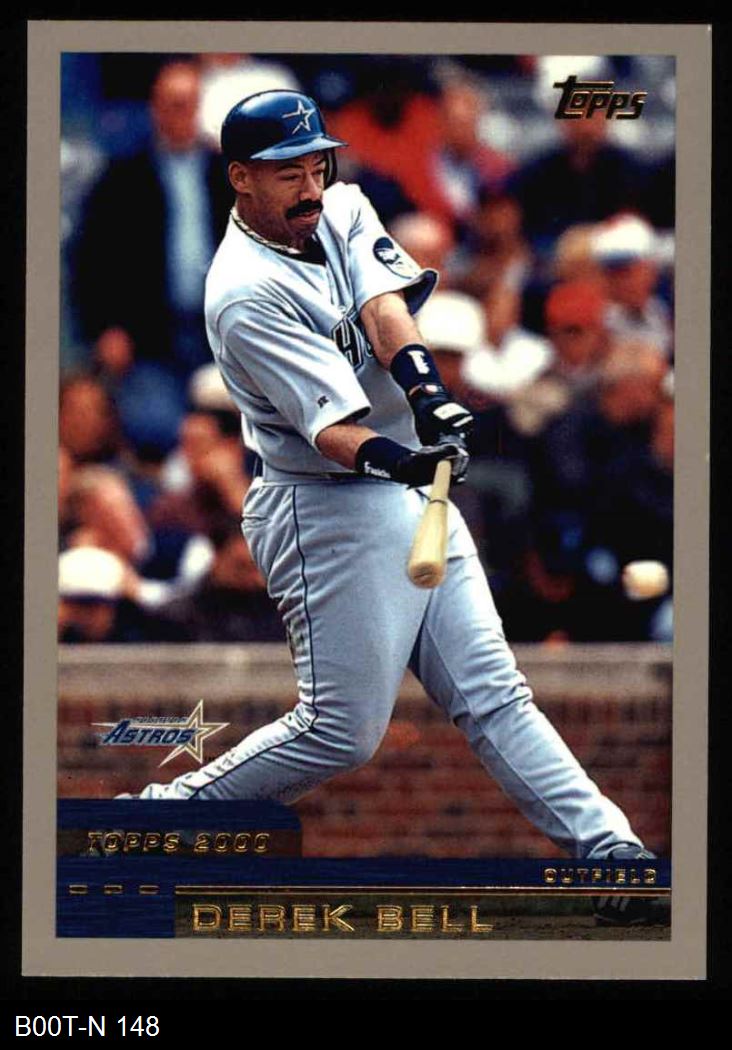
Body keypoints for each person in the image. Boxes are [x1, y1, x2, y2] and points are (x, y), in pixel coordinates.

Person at [128, 90, 661, 924]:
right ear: (240, 178)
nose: (310, 185)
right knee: (341, 731)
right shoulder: (242, 290)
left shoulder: (340, 203)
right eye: (287, 173)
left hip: (398, 485)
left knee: (494, 692)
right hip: (322, 503)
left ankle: (610, 850)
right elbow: (335, 430)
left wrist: (427, 393)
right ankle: (160, 820)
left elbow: (384, 310)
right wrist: (408, 457)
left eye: (316, 164)